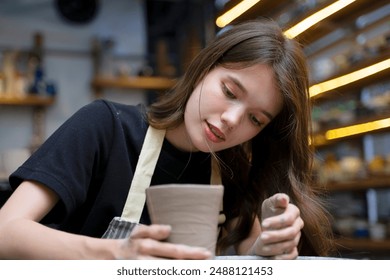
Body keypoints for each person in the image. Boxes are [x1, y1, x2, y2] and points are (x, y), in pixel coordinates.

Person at [0, 19, 335, 260]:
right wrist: (116, 253)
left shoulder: (233, 171)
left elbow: (248, 252)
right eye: (230, 92)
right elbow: (6, 231)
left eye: (255, 119)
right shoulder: (105, 126)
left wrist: (270, 246)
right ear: (203, 68)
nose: (232, 121)